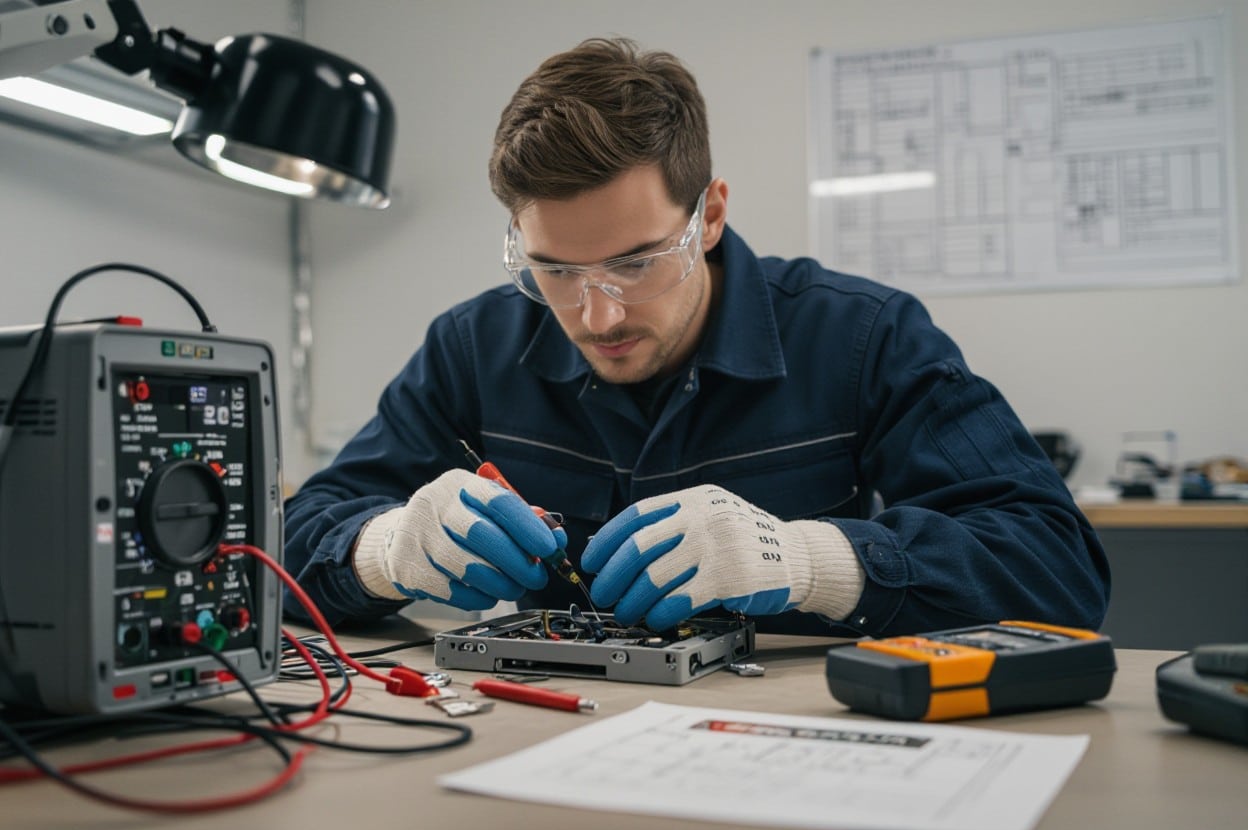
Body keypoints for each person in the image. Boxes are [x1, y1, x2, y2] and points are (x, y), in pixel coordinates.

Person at [283, 37, 1109, 637]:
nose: (596, 316)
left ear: (709, 215)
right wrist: (384, 550)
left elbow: (1057, 566)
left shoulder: (862, 334)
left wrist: (808, 562)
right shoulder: (472, 347)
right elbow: (278, 548)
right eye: (555, 271)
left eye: (635, 262)